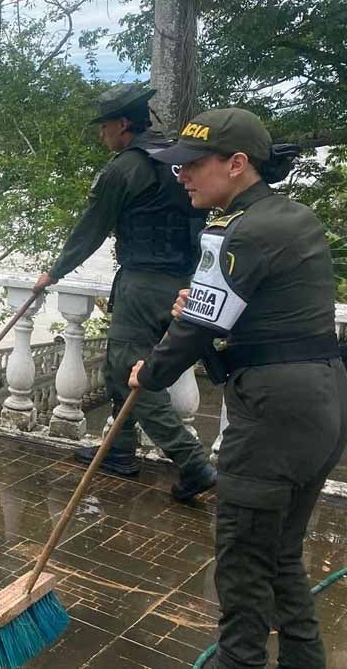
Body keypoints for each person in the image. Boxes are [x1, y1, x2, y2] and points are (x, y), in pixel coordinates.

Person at [131, 108, 347, 669]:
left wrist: (148, 372)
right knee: (279, 557)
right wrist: (201, 312)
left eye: (193, 165)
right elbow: (242, 316)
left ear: (237, 164)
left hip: (272, 417)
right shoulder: (291, 216)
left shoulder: (236, 232)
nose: (183, 176)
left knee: (243, 566)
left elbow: (197, 329)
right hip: (321, 404)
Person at [35, 83, 216, 501]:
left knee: (130, 372)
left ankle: (192, 463)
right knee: (128, 366)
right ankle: (119, 449)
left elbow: (91, 229)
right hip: (188, 282)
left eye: (104, 127)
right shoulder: (179, 159)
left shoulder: (125, 169)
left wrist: (54, 272)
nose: (101, 136)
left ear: (122, 124)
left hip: (145, 283)